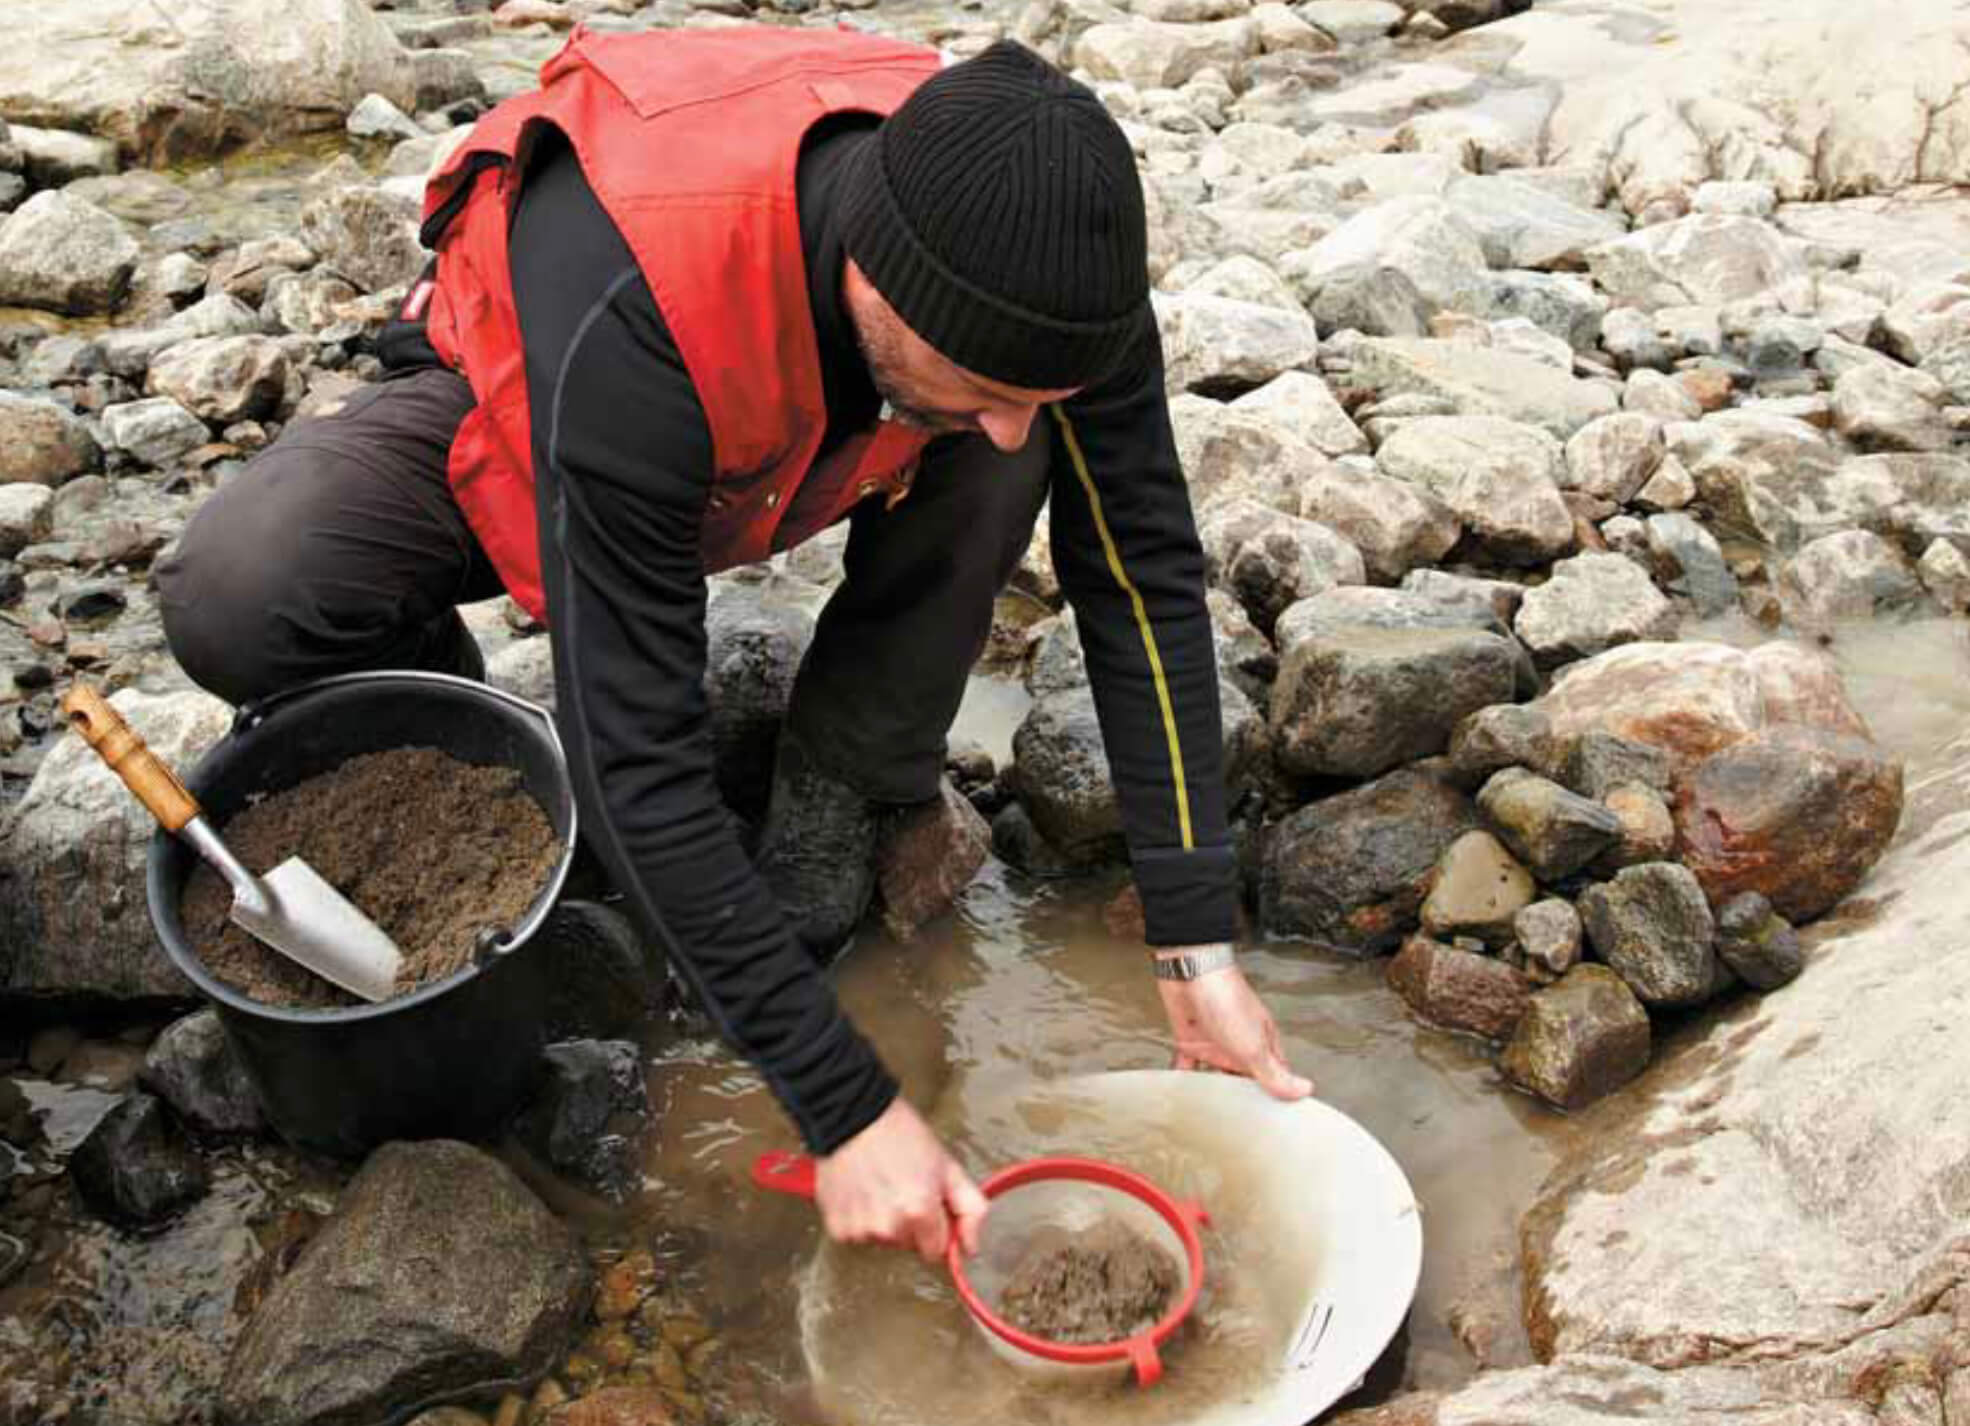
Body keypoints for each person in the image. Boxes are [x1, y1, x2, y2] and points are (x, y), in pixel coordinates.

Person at [156, 26, 1313, 1263]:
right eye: (984, 377)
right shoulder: (631, 274)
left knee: (1001, 445)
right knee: (242, 589)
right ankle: (472, 758)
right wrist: (847, 1105)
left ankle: (845, 783)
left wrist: (1193, 946)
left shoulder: (1048, 271)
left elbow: (1138, 576)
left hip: (811, 440)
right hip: (547, 407)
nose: (1012, 417)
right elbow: (636, 753)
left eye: (1042, 386)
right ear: (877, 274)